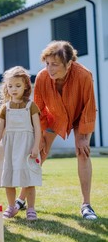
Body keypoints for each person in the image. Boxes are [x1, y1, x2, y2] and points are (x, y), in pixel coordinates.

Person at [17, 40, 98, 220]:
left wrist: (84, 137)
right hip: (53, 116)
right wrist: (40, 136)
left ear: (69, 64)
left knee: (82, 152)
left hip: (80, 116)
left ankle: (86, 205)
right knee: (38, 152)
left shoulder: (84, 75)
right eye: (47, 64)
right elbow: (38, 109)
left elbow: (90, 107)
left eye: (55, 64)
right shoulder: (42, 77)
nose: (50, 68)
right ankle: (21, 199)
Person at [0, 66, 42, 220]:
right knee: (9, 179)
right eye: (10, 86)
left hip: (27, 146)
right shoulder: (5, 108)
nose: (13, 89)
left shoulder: (30, 106)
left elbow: (37, 129)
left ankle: (31, 208)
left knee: (29, 178)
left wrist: (36, 146)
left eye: (18, 86)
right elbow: (0, 129)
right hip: (9, 146)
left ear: (25, 85)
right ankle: (12, 207)